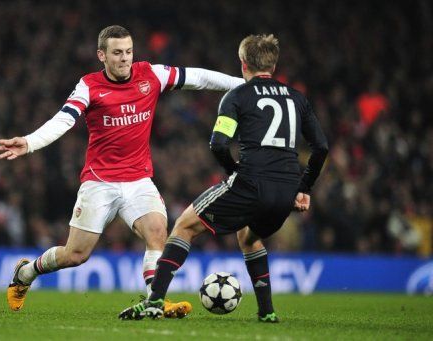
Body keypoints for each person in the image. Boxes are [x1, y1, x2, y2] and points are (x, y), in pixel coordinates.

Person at [0, 25, 244, 317]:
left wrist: (245, 84)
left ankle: (155, 301)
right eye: (117, 53)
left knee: (157, 232)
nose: (124, 58)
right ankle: (25, 273)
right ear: (102, 55)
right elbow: (64, 120)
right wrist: (30, 142)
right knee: (75, 255)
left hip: (139, 180)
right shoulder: (89, 86)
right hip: (99, 182)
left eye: (128, 52)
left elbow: (198, 78)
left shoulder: (150, 74)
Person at [119, 33, 328, 322]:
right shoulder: (297, 98)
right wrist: (303, 187)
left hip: (250, 182)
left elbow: (218, 143)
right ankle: (267, 312)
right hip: (285, 190)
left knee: (183, 226)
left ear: (243, 64)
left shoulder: (238, 96)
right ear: (274, 65)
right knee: (250, 237)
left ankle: (154, 301)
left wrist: (234, 173)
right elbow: (321, 147)